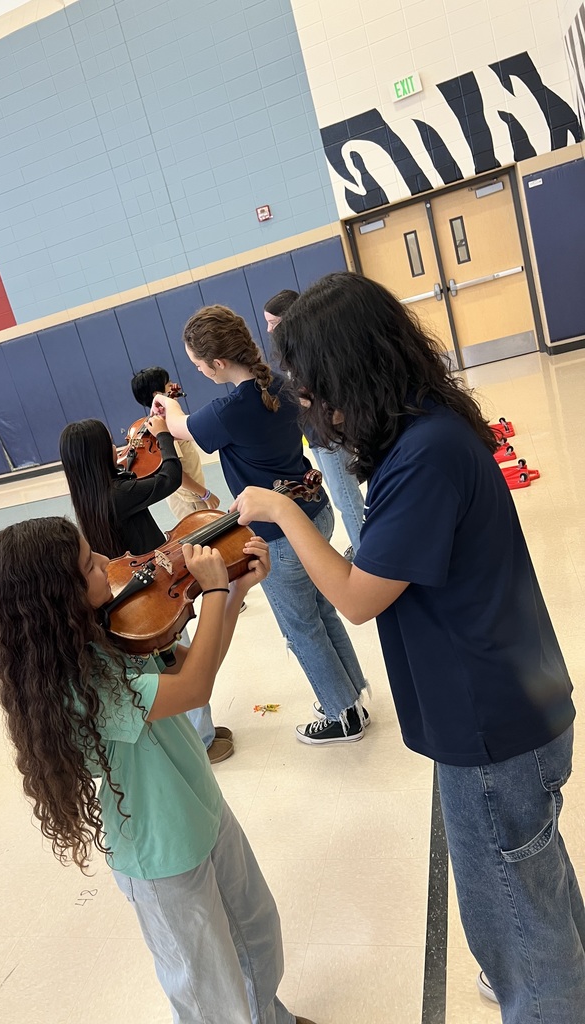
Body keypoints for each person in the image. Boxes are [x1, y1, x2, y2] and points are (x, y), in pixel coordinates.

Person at [232, 271, 585, 1021]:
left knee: (519, 923)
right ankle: (552, 979)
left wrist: (282, 515)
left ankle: (547, 996)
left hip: (491, 729)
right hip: (516, 700)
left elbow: (359, 596)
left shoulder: (424, 454)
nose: (305, 398)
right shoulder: (426, 429)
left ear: (348, 370)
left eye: (310, 381)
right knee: (534, 887)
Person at [0, 516, 317, 1024]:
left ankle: (270, 1016)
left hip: (201, 808)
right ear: (56, 595)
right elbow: (195, 689)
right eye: (90, 564)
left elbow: (195, 663)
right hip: (161, 851)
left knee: (256, 931)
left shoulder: (110, 631)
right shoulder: (75, 684)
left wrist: (235, 591)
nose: (109, 566)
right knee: (207, 989)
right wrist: (216, 591)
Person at [151, 305, 368, 744]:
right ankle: (352, 696)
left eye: (199, 365)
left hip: (279, 531)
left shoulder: (228, 410)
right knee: (321, 609)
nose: (199, 372)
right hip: (315, 513)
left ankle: (341, 713)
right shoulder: (282, 386)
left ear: (217, 363)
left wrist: (165, 411)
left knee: (300, 626)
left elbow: (177, 426)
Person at [59, 418, 234, 763]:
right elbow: (168, 478)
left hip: (139, 583)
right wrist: (164, 436)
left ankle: (203, 730)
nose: (117, 449)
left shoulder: (92, 494)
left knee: (172, 657)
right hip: (153, 586)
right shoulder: (118, 494)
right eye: (110, 444)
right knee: (182, 659)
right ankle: (203, 738)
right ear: (98, 454)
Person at [264, 290, 364, 560]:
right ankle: (363, 544)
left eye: (273, 322)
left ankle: (366, 554)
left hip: (330, 433)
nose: (269, 329)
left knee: (347, 499)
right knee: (344, 495)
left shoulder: (316, 349)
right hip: (317, 435)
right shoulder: (294, 349)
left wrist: (310, 401)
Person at [131, 366, 220, 517]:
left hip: (189, 493)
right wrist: (205, 494)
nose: (173, 385)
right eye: (168, 383)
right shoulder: (164, 426)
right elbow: (176, 472)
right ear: (158, 394)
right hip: (189, 497)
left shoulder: (167, 420)